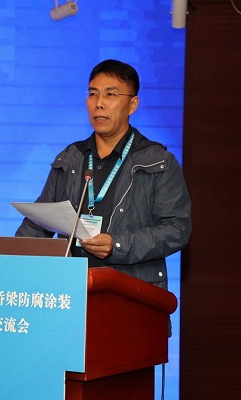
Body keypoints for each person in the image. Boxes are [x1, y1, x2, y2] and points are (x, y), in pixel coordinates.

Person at [15, 59, 192, 290]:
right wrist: (11, 260)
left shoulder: (158, 161)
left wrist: (117, 245)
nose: (99, 103)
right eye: (93, 94)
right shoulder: (70, 157)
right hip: (72, 289)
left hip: (131, 291)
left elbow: (177, 229)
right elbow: (39, 222)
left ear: (132, 105)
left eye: (110, 94)